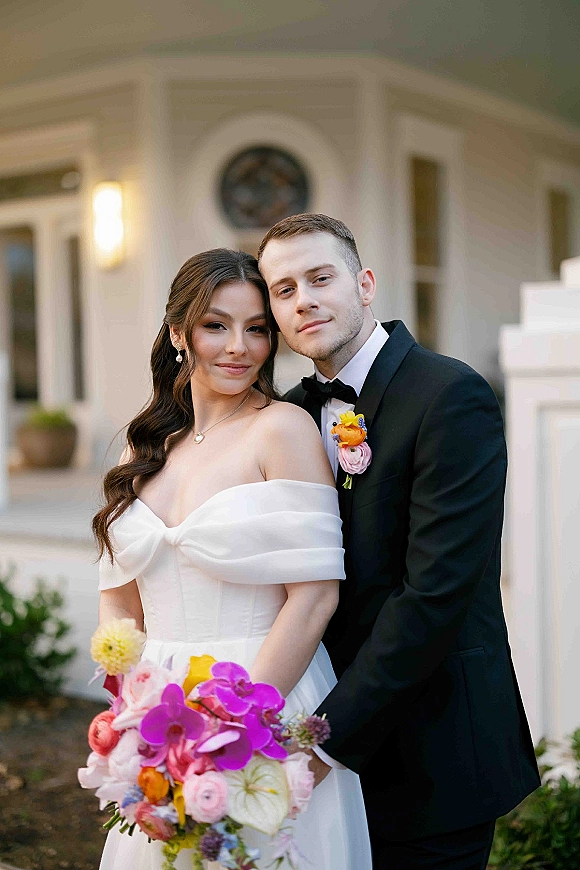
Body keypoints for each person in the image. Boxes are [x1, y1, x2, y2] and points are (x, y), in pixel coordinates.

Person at [258, 213, 541, 870]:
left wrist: (322, 740)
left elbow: (435, 594)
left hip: (433, 757)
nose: (304, 299)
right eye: (283, 288)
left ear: (364, 284)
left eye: (320, 277)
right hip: (324, 762)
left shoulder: (449, 395)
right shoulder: (292, 415)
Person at [93, 249, 372, 870]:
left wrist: (235, 727)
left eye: (257, 329)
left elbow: (315, 596)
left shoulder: (283, 429)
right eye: (216, 325)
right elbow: (119, 599)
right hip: (158, 711)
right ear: (177, 334)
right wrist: (131, 714)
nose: (238, 347)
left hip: (265, 693)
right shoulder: (142, 450)